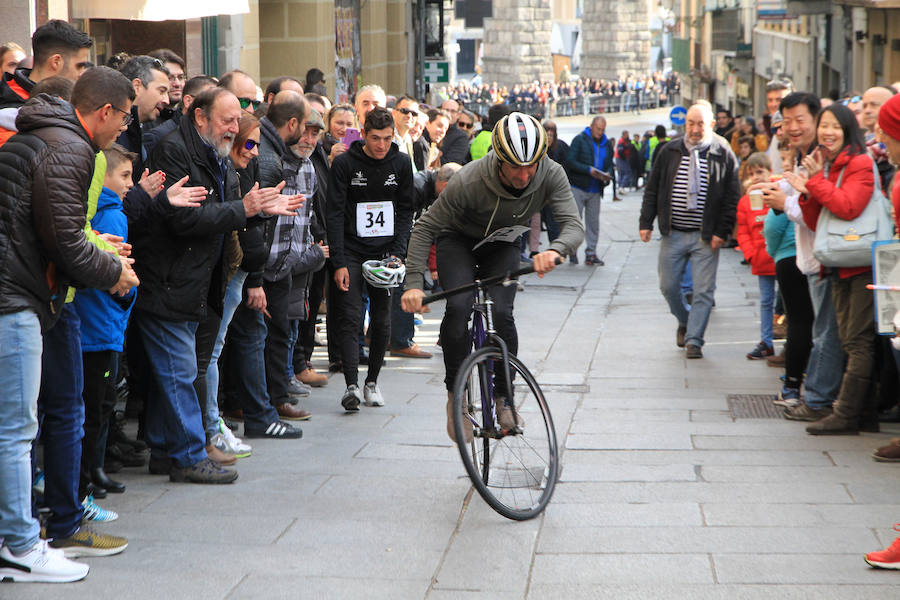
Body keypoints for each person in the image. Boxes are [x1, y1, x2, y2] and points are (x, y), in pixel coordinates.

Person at [0, 65, 140, 582]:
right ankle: (18, 545)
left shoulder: (46, 135)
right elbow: (64, 240)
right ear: (104, 111)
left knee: (15, 428)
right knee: (17, 430)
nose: (123, 128)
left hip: (18, 291)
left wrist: (96, 252)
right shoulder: (72, 148)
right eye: (124, 118)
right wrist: (115, 270)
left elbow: (53, 230)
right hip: (15, 298)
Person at [133, 87, 300, 481]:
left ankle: (166, 450)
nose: (234, 128)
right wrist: (244, 209)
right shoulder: (176, 151)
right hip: (170, 280)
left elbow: (222, 217)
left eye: (236, 120)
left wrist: (254, 214)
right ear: (200, 117)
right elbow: (185, 220)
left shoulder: (215, 154)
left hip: (194, 282)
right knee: (179, 372)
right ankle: (190, 455)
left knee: (176, 371)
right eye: (227, 120)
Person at [401, 112, 583, 441]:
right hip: (458, 241)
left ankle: (504, 398)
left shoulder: (550, 173)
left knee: (502, 313)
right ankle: (455, 397)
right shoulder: (469, 180)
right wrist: (413, 283)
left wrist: (554, 250)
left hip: (502, 243)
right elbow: (425, 227)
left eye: (531, 166)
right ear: (499, 159)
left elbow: (573, 225)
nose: (525, 175)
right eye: (515, 166)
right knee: (458, 308)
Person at [789, 103, 877, 435]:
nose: (827, 132)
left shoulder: (860, 163)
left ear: (847, 131)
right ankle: (864, 412)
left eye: (835, 127)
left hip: (859, 262)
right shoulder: (827, 166)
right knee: (851, 338)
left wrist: (814, 185)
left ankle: (848, 414)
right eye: (824, 126)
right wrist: (807, 191)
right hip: (837, 263)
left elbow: (847, 207)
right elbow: (819, 222)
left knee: (856, 340)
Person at [326, 107, 414, 410]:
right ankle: (351, 384)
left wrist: (399, 253)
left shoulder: (401, 163)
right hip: (351, 248)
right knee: (350, 317)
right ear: (363, 135)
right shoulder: (345, 164)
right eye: (375, 138)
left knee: (382, 320)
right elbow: (334, 213)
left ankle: (372, 382)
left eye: (387, 138)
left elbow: (406, 211)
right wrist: (338, 261)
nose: (381, 145)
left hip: (385, 251)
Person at [639, 102, 741, 358]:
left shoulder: (723, 151)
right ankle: (685, 320)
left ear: (712, 125)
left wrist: (722, 230)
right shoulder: (669, 150)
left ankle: (694, 339)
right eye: (690, 124)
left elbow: (732, 196)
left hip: (705, 235)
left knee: (703, 291)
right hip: (673, 232)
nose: (695, 130)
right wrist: (645, 222)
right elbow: (653, 188)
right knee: (669, 286)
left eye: (700, 124)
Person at [735, 153, 777, 360]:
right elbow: (742, 231)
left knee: (788, 303)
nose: (756, 178)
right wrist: (751, 254)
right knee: (766, 301)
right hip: (761, 258)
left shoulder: (777, 194)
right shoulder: (745, 202)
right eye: (751, 175)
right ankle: (766, 341)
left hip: (782, 257)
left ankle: (790, 341)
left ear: (770, 172)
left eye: (760, 172)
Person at [567, 116, 614, 266]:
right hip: (578, 186)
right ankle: (572, 249)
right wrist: (588, 170)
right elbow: (570, 161)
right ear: (591, 126)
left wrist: (607, 174)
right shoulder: (580, 140)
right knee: (575, 221)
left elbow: (609, 164)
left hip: (595, 188)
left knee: (593, 223)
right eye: (598, 129)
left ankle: (591, 253)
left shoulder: (607, 145)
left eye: (602, 129)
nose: (600, 132)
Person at [117, 55, 169, 182]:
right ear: (137, 86)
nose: (166, 100)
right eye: (161, 91)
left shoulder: (136, 129)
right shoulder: (115, 132)